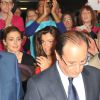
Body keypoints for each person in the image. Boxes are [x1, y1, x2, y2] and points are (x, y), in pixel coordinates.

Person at [24, 31, 100, 100]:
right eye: (71, 63)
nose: (78, 69)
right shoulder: (38, 84)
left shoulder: (96, 75)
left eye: (82, 61)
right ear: (58, 55)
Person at [3, 26, 36, 93]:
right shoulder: (1, 59)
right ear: (4, 42)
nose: (15, 43)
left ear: (21, 41)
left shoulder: (29, 59)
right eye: (11, 39)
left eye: (18, 39)